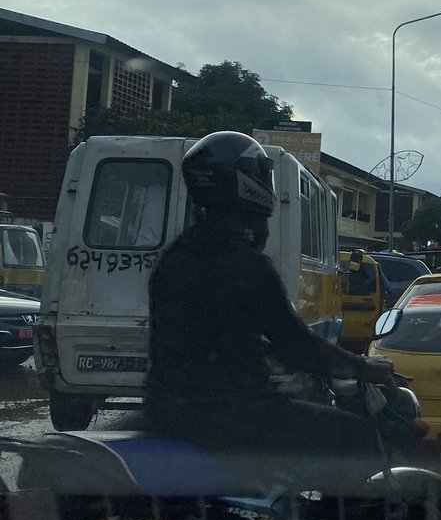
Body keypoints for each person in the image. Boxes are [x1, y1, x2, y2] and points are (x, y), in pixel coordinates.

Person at [145, 131, 397, 492]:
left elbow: (206, 332)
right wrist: (363, 367)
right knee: (353, 436)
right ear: (250, 184)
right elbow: (294, 344)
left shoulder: (174, 258)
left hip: (167, 412)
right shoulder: (246, 266)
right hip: (233, 414)